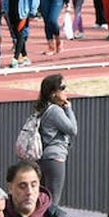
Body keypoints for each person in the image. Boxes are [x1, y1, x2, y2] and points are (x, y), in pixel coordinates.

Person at [34, 74, 77, 204]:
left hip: (43, 157)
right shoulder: (55, 111)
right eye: (62, 88)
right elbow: (72, 129)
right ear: (53, 93)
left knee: (42, 196)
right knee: (53, 198)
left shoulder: (43, 108)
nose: (65, 91)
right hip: (55, 157)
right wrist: (69, 108)